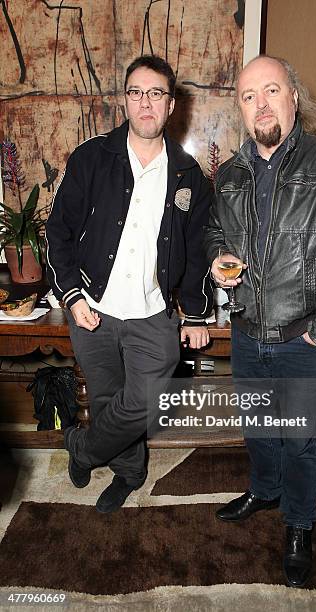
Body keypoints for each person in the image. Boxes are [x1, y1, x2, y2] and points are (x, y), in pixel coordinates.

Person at [204, 55, 316, 587]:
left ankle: (299, 523)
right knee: (258, 426)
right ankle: (265, 488)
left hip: (305, 336)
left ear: (294, 98)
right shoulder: (228, 175)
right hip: (249, 330)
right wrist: (215, 260)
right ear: (241, 109)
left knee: (299, 439)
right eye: (249, 96)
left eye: (271, 90)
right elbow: (213, 233)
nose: (261, 104)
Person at [46, 55, 212, 514]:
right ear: (125, 99)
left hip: (154, 314)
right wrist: (72, 295)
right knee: (105, 400)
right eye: (137, 92)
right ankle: (130, 472)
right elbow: (57, 231)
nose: (146, 102)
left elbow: (198, 249)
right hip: (92, 310)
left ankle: (83, 448)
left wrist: (195, 312)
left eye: (156, 93)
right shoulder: (91, 158)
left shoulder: (188, 174)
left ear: (171, 104)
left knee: (142, 400)